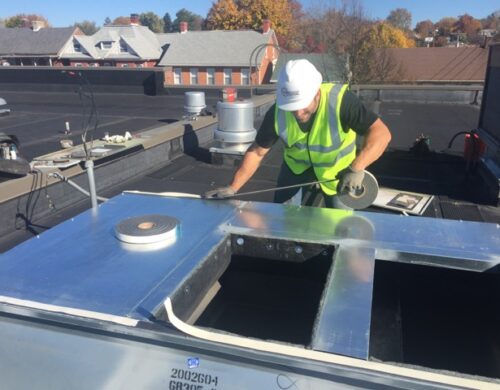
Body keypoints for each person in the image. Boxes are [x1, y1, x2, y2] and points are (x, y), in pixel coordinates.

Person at [205, 59, 391, 209]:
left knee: (340, 229)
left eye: (303, 106)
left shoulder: (341, 102)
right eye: (292, 108)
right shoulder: (277, 112)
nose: (298, 113)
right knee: (282, 217)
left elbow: (381, 134)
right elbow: (257, 152)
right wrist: (233, 187)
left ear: (317, 93)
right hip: (296, 169)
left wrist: (356, 168)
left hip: (339, 172)